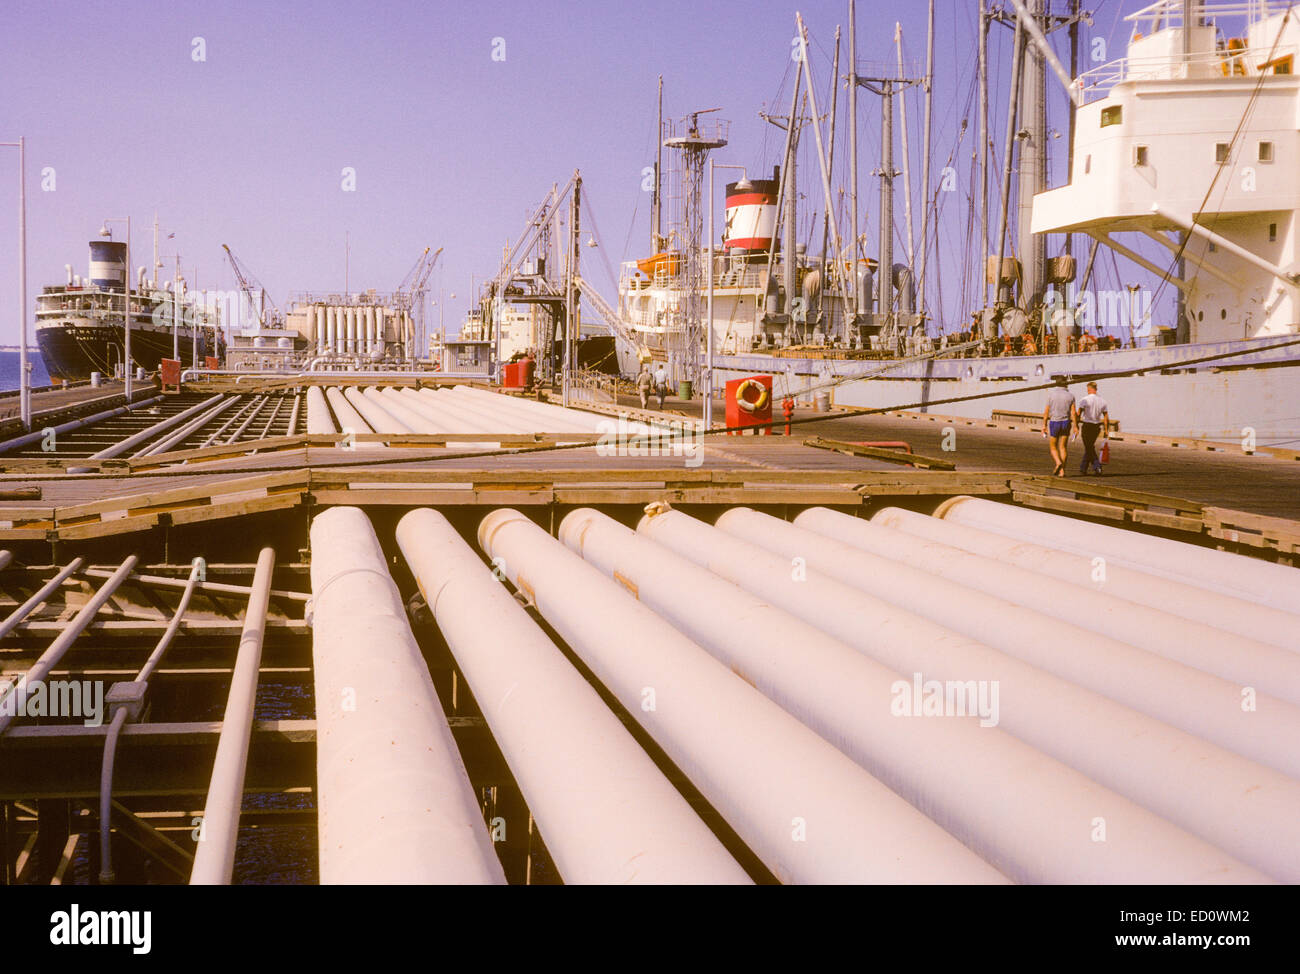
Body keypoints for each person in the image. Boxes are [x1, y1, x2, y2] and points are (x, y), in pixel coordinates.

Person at [1041, 376, 1077, 477]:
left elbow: (1046, 412)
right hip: (1066, 422)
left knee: (1053, 447)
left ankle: (1058, 462)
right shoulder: (1071, 396)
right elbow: (1073, 413)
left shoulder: (1051, 396)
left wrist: (1044, 425)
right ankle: (1062, 472)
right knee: (1063, 447)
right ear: (1066, 384)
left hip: (1054, 422)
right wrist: (1076, 426)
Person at [1077, 381, 1110, 476]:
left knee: (1089, 447)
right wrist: (1106, 430)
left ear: (1089, 389)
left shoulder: (1084, 400)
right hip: (1096, 426)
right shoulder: (1103, 401)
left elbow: (1079, 414)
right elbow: (1106, 417)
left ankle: (1097, 466)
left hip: (1087, 425)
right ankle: (1083, 468)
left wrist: (1076, 425)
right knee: (1089, 447)